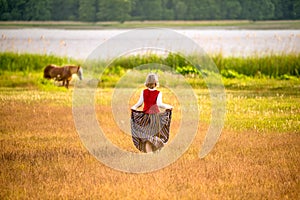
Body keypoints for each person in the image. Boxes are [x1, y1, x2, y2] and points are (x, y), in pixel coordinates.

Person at [131, 73, 173, 153]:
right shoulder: (158, 93)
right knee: (155, 136)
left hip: (145, 118)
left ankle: (149, 155)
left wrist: (134, 108)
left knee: (147, 137)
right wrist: (168, 106)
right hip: (155, 118)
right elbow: (159, 104)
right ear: (156, 82)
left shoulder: (144, 92)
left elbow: (139, 104)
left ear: (147, 82)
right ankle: (153, 155)